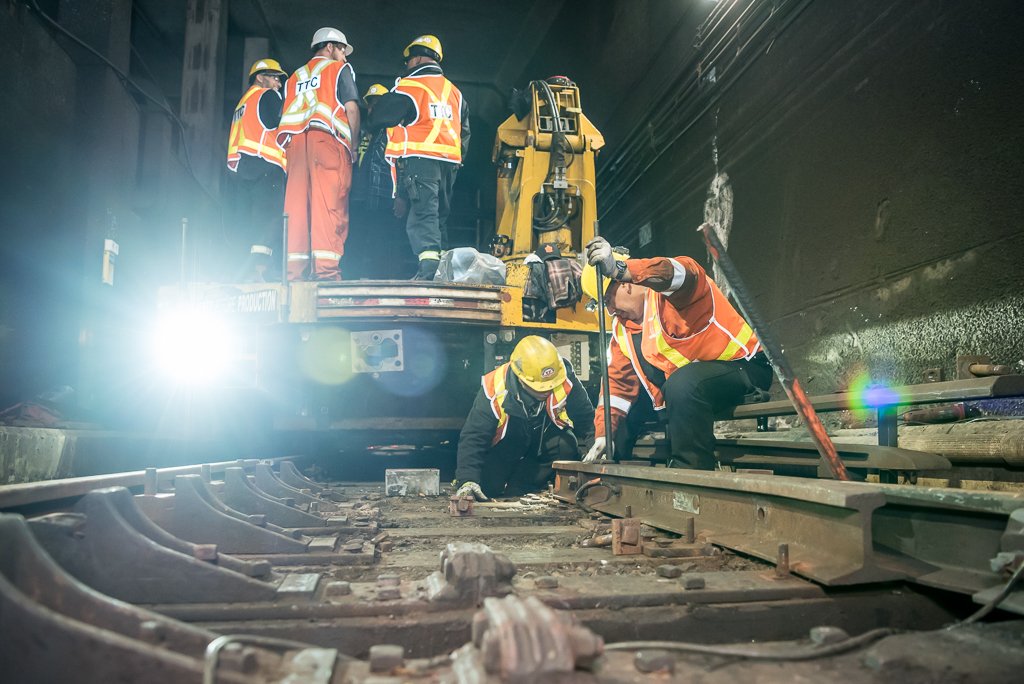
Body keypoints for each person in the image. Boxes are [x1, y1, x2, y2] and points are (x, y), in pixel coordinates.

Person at [581, 236, 773, 470]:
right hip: (696, 385)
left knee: (683, 384)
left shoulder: (673, 295)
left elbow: (683, 271)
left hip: (744, 367)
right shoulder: (623, 329)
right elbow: (616, 387)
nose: (610, 310)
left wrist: (623, 269)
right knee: (633, 408)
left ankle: (692, 469)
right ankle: (611, 468)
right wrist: (604, 434)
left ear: (626, 283)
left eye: (608, 299)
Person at [366, 34, 471, 280]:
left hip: (422, 161)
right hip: (450, 163)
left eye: (409, 61)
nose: (407, 66)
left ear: (418, 58)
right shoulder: (454, 92)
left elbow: (379, 117)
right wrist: (457, 158)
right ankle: (443, 273)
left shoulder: (409, 86)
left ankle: (428, 271)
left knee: (423, 215)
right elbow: (465, 131)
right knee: (439, 216)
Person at [454, 336, 594, 500]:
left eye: (550, 386)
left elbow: (586, 418)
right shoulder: (494, 388)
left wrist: (600, 445)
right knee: (488, 487)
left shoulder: (563, 377)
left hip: (541, 445)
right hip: (506, 447)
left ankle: (523, 488)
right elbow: (474, 437)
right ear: (520, 378)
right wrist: (468, 480)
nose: (546, 391)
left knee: (565, 444)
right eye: (539, 388)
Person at [276, 27, 360, 281]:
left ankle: (294, 275)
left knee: (297, 210)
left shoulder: (294, 77)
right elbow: (352, 109)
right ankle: (326, 273)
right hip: (327, 141)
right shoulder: (337, 70)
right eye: (343, 50)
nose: (345, 56)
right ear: (331, 47)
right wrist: (354, 146)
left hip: (296, 145)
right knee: (330, 205)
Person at [226, 58, 287, 281]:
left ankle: (247, 272)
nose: (279, 84)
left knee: (250, 223)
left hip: (243, 169)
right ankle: (260, 272)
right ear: (261, 77)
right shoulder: (266, 96)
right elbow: (278, 124)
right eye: (275, 78)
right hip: (266, 166)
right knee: (269, 221)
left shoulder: (242, 103)